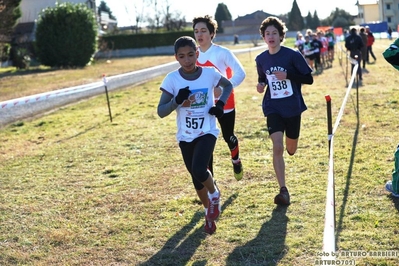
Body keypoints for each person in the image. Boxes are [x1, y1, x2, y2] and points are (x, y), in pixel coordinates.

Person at [157, 36, 233, 234]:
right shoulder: (172, 79)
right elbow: (161, 111)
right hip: (185, 135)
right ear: (176, 58)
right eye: (182, 56)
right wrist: (176, 101)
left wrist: (220, 105)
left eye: (191, 55)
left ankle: (215, 194)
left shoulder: (209, 73)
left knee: (200, 169)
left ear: (197, 54)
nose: (187, 60)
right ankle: (209, 212)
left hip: (207, 131)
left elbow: (228, 86)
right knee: (196, 178)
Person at [255, 16, 314, 205]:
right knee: (277, 146)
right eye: (267, 34)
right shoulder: (261, 59)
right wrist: (261, 84)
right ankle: (283, 190)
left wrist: (288, 75)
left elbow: (309, 79)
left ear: (281, 36)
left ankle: (292, 146)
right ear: (264, 38)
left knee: (291, 149)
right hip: (273, 108)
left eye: (274, 33)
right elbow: (262, 77)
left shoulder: (292, 55)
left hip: (293, 107)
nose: (271, 36)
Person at [193, 15, 246, 181]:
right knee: (205, 142)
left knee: (228, 136)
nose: (199, 34)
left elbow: (241, 73)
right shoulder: (192, 54)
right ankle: (211, 182)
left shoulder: (222, 52)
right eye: (196, 31)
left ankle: (236, 160)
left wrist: (223, 88)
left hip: (225, 103)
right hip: (203, 105)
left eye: (203, 31)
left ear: (211, 33)